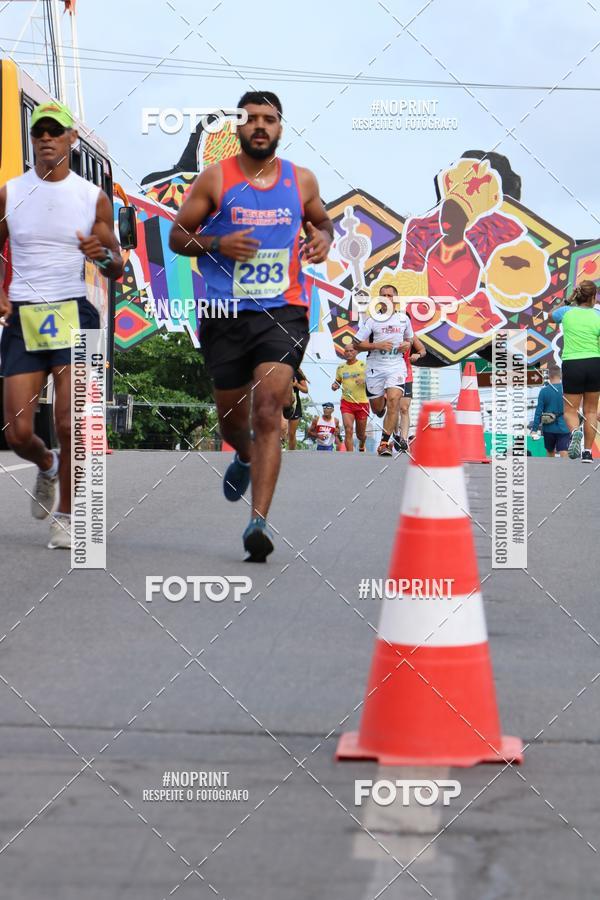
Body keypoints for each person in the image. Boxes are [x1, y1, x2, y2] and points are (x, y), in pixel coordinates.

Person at [169, 91, 332, 560]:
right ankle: (242, 454)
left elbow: (323, 222)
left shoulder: (301, 181)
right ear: (239, 127)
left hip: (282, 311)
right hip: (224, 315)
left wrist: (321, 238)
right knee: (233, 421)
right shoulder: (216, 178)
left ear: (281, 128)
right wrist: (219, 242)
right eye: (251, 119)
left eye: (269, 119)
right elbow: (179, 236)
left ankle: (257, 523)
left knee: (268, 411)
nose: (260, 126)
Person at [0, 101, 123, 549]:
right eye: (39, 132)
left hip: (74, 311)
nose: (46, 138)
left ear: (72, 139)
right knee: (16, 432)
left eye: (56, 131)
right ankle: (47, 465)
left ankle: (68, 516)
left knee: (71, 420)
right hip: (24, 316)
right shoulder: (10, 193)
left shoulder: (93, 198)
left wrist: (103, 254)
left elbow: (117, 268)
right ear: (32, 139)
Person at [352, 284, 412, 456]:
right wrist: (376, 345)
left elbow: (410, 340)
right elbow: (356, 343)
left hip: (396, 366)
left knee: (394, 400)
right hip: (375, 368)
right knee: (378, 409)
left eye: (389, 295)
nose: (386, 298)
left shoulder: (403, 319)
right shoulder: (372, 320)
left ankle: (384, 443)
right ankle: (381, 407)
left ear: (395, 299)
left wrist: (407, 345)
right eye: (383, 295)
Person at [551, 280, 600, 462]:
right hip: (595, 363)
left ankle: (575, 431)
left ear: (577, 296)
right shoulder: (598, 315)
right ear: (593, 297)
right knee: (591, 411)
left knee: (570, 410)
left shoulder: (566, 312)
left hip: (573, 364)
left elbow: (550, 316)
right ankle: (587, 452)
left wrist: (567, 300)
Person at [393, 326, 426, 452]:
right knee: (393, 407)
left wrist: (417, 355)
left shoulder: (411, 335)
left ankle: (403, 439)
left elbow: (423, 350)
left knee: (404, 408)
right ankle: (395, 434)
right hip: (390, 374)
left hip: (407, 375)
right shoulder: (388, 332)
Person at [331, 345, 369, 451]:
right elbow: (337, 381)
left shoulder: (363, 365)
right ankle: (350, 455)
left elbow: (374, 380)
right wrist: (335, 385)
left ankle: (362, 443)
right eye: (346, 351)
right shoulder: (341, 367)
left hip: (362, 403)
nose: (348, 353)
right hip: (347, 402)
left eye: (351, 351)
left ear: (356, 352)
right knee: (348, 429)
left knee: (360, 435)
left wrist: (365, 381)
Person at [530, 365, 571, 458]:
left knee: (550, 451)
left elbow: (538, 412)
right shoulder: (567, 390)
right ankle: (566, 471)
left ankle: (551, 471)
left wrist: (534, 429)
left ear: (548, 376)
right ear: (561, 375)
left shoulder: (544, 391)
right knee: (564, 451)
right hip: (565, 427)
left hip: (548, 428)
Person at [282, 367, 308, 450]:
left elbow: (305, 390)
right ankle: (281, 448)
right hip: (281, 403)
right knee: (283, 427)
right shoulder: (277, 370)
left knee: (291, 434)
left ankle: (291, 453)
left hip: (295, 404)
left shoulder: (297, 372)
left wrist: (296, 385)